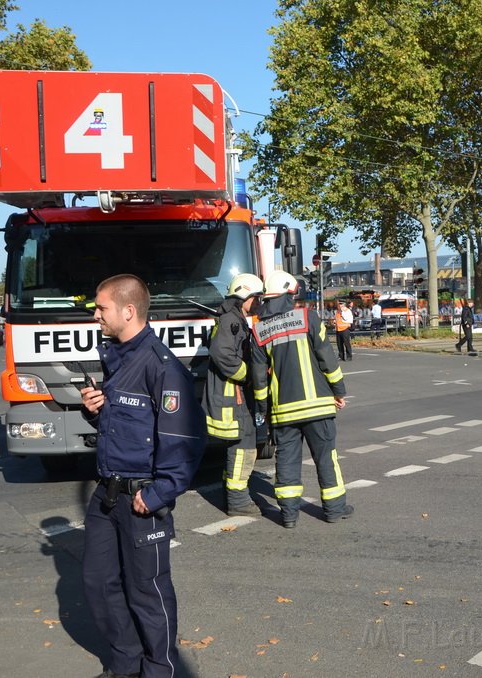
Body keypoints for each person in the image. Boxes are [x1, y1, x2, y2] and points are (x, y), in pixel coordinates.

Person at [79, 274, 205, 678]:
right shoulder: (117, 357)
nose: (95, 315)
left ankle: (160, 669)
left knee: (147, 592)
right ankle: (126, 663)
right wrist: (96, 409)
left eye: (102, 308)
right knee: (100, 584)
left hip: (141, 499)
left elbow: (185, 439)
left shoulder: (162, 366)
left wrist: (159, 493)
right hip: (107, 494)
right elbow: (126, 427)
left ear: (128, 311)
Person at [254, 271, 353, 528]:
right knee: (326, 458)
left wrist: (264, 410)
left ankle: (288, 516)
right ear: (290, 294)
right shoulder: (308, 317)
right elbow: (327, 359)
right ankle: (334, 509)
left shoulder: (259, 329)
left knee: (286, 461)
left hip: (284, 412)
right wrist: (338, 391)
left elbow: (259, 379)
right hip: (318, 406)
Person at [205, 273, 269, 516]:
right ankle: (238, 502)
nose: (259, 302)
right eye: (256, 297)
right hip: (233, 395)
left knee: (241, 444)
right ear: (245, 296)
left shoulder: (233, 318)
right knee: (243, 446)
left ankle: (232, 496)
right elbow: (222, 355)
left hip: (233, 394)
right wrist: (249, 374)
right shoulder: (230, 320)